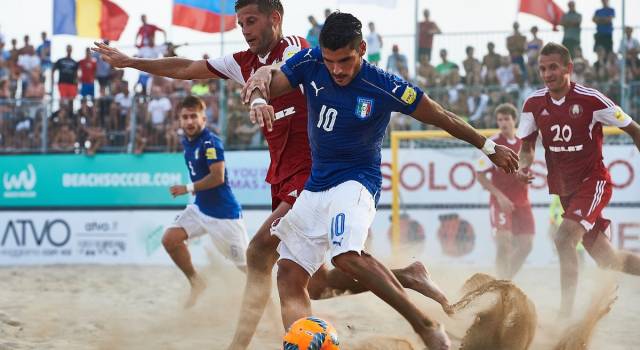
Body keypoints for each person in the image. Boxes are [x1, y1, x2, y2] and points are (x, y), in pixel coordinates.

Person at [93, 2, 448, 349]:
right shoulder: (240, 63)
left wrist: (263, 85)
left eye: (251, 21)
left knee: (258, 252)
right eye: (240, 23)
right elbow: (187, 66)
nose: (244, 30)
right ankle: (406, 276)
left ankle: (241, 345)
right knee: (314, 284)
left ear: (274, 18)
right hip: (282, 177)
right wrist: (131, 61)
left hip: (314, 175)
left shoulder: (296, 49)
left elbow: (282, 65)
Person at [243, 12, 519, 349]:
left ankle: (427, 325)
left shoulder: (384, 84)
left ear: (362, 48)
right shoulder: (312, 59)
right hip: (316, 185)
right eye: (330, 61)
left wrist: (488, 146)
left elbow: (441, 116)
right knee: (291, 275)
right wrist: (258, 95)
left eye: (345, 60)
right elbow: (273, 78)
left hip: (357, 182)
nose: (337, 70)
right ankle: (406, 277)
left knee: (346, 256)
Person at [516, 42, 640, 317]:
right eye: (542, 69)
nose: (547, 74)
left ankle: (565, 316)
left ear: (568, 68)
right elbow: (526, 148)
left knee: (563, 239)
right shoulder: (533, 104)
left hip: (593, 181)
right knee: (609, 261)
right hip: (566, 191)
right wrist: (523, 166)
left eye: (553, 68)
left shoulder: (591, 100)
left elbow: (634, 129)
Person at [163, 95, 249, 308]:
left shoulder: (210, 141)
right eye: (185, 117)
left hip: (224, 216)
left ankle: (274, 309)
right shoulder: (187, 142)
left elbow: (217, 177)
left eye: (194, 116)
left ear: (203, 119)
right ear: (180, 120)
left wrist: (187, 188)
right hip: (200, 209)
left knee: (250, 272)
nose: (189, 121)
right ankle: (196, 281)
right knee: (170, 239)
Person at [476, 103, 534, 279]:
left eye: (506, 119)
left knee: (527, 245)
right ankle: (502, 283)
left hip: (522, 201)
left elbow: (525, 167)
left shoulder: (524, 143)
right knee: (503, 243)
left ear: (514, 120)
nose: (503, 123)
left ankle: (505, 280)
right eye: (500, 119)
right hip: (501, 201)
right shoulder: (492, 145)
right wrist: (499, 197)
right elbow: (480, 175)